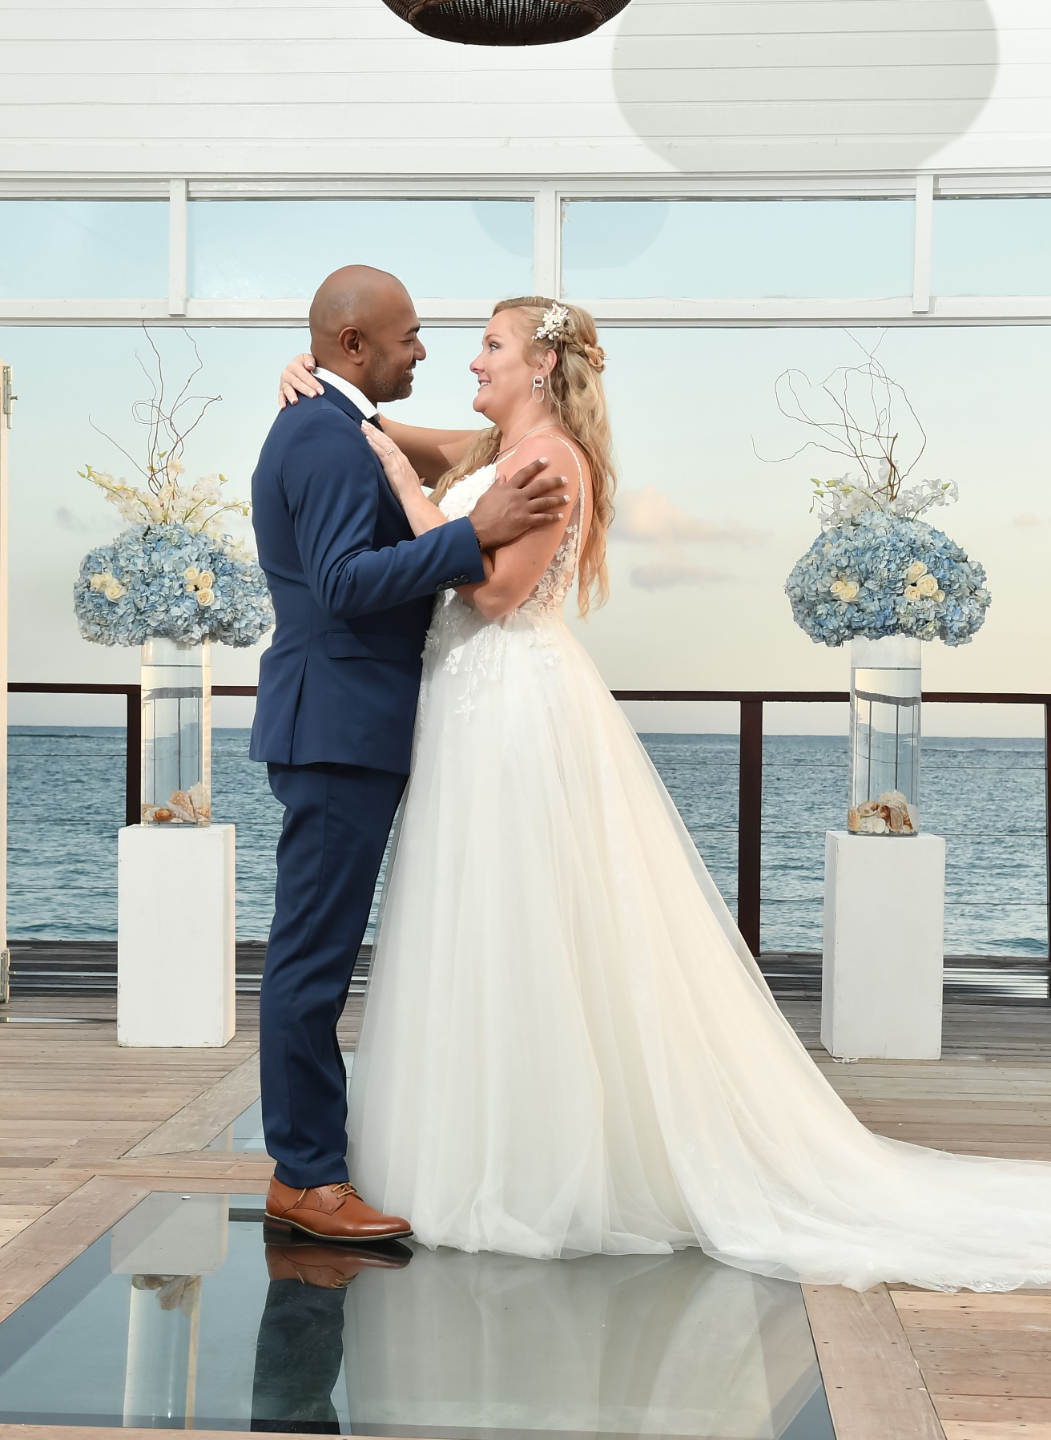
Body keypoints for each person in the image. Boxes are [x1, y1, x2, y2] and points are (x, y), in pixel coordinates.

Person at [277, 297, 1051, 1293]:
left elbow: (493, 593)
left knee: (524, 922)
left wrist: (397, 481)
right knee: (472, 921)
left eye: (491, 346)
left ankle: (528, 1165)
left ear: (541, 365)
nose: (470, 360)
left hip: (509, 703)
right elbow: (381, 429)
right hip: (462, 705)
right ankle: (466, 1144)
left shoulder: (551, 460)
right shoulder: (491, 447)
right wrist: (316, 390)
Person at [251, 266, 571, 1244]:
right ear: (354, 345)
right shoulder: (323, 436)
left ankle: (321, 1164)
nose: (427, 350)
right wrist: (474, 534)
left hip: (357, 724)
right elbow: (344, 583)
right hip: (336, 726)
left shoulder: (342, 424)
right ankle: (305, 1176)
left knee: (322, 952)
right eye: (411, 334)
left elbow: (439, 463)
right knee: (312, 959)